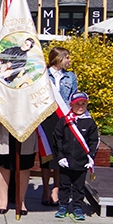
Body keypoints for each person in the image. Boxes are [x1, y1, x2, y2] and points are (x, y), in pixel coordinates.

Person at [40, 46, 78, 206]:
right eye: (67, 57)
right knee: (46, 154)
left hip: (63, 118)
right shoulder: (43, 75)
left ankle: (56, 188)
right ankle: (45, 189)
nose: (69, 60)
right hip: (46, 118)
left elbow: (74, 97)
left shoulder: (70, 77)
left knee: (60, 153)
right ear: (58, 58)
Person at [53, 92, 98, 221]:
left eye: (83, 104)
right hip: (66, 160)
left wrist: (91, 157)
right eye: (77, 104)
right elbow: (57, 139)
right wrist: (60, 156)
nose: (80, 106)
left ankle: (77, 206)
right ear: (71, 105)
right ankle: (63, 205)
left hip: (81, 161)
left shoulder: (89, 123)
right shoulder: (64, 121)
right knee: (64, 184)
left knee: (79, 186)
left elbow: (94, 141)